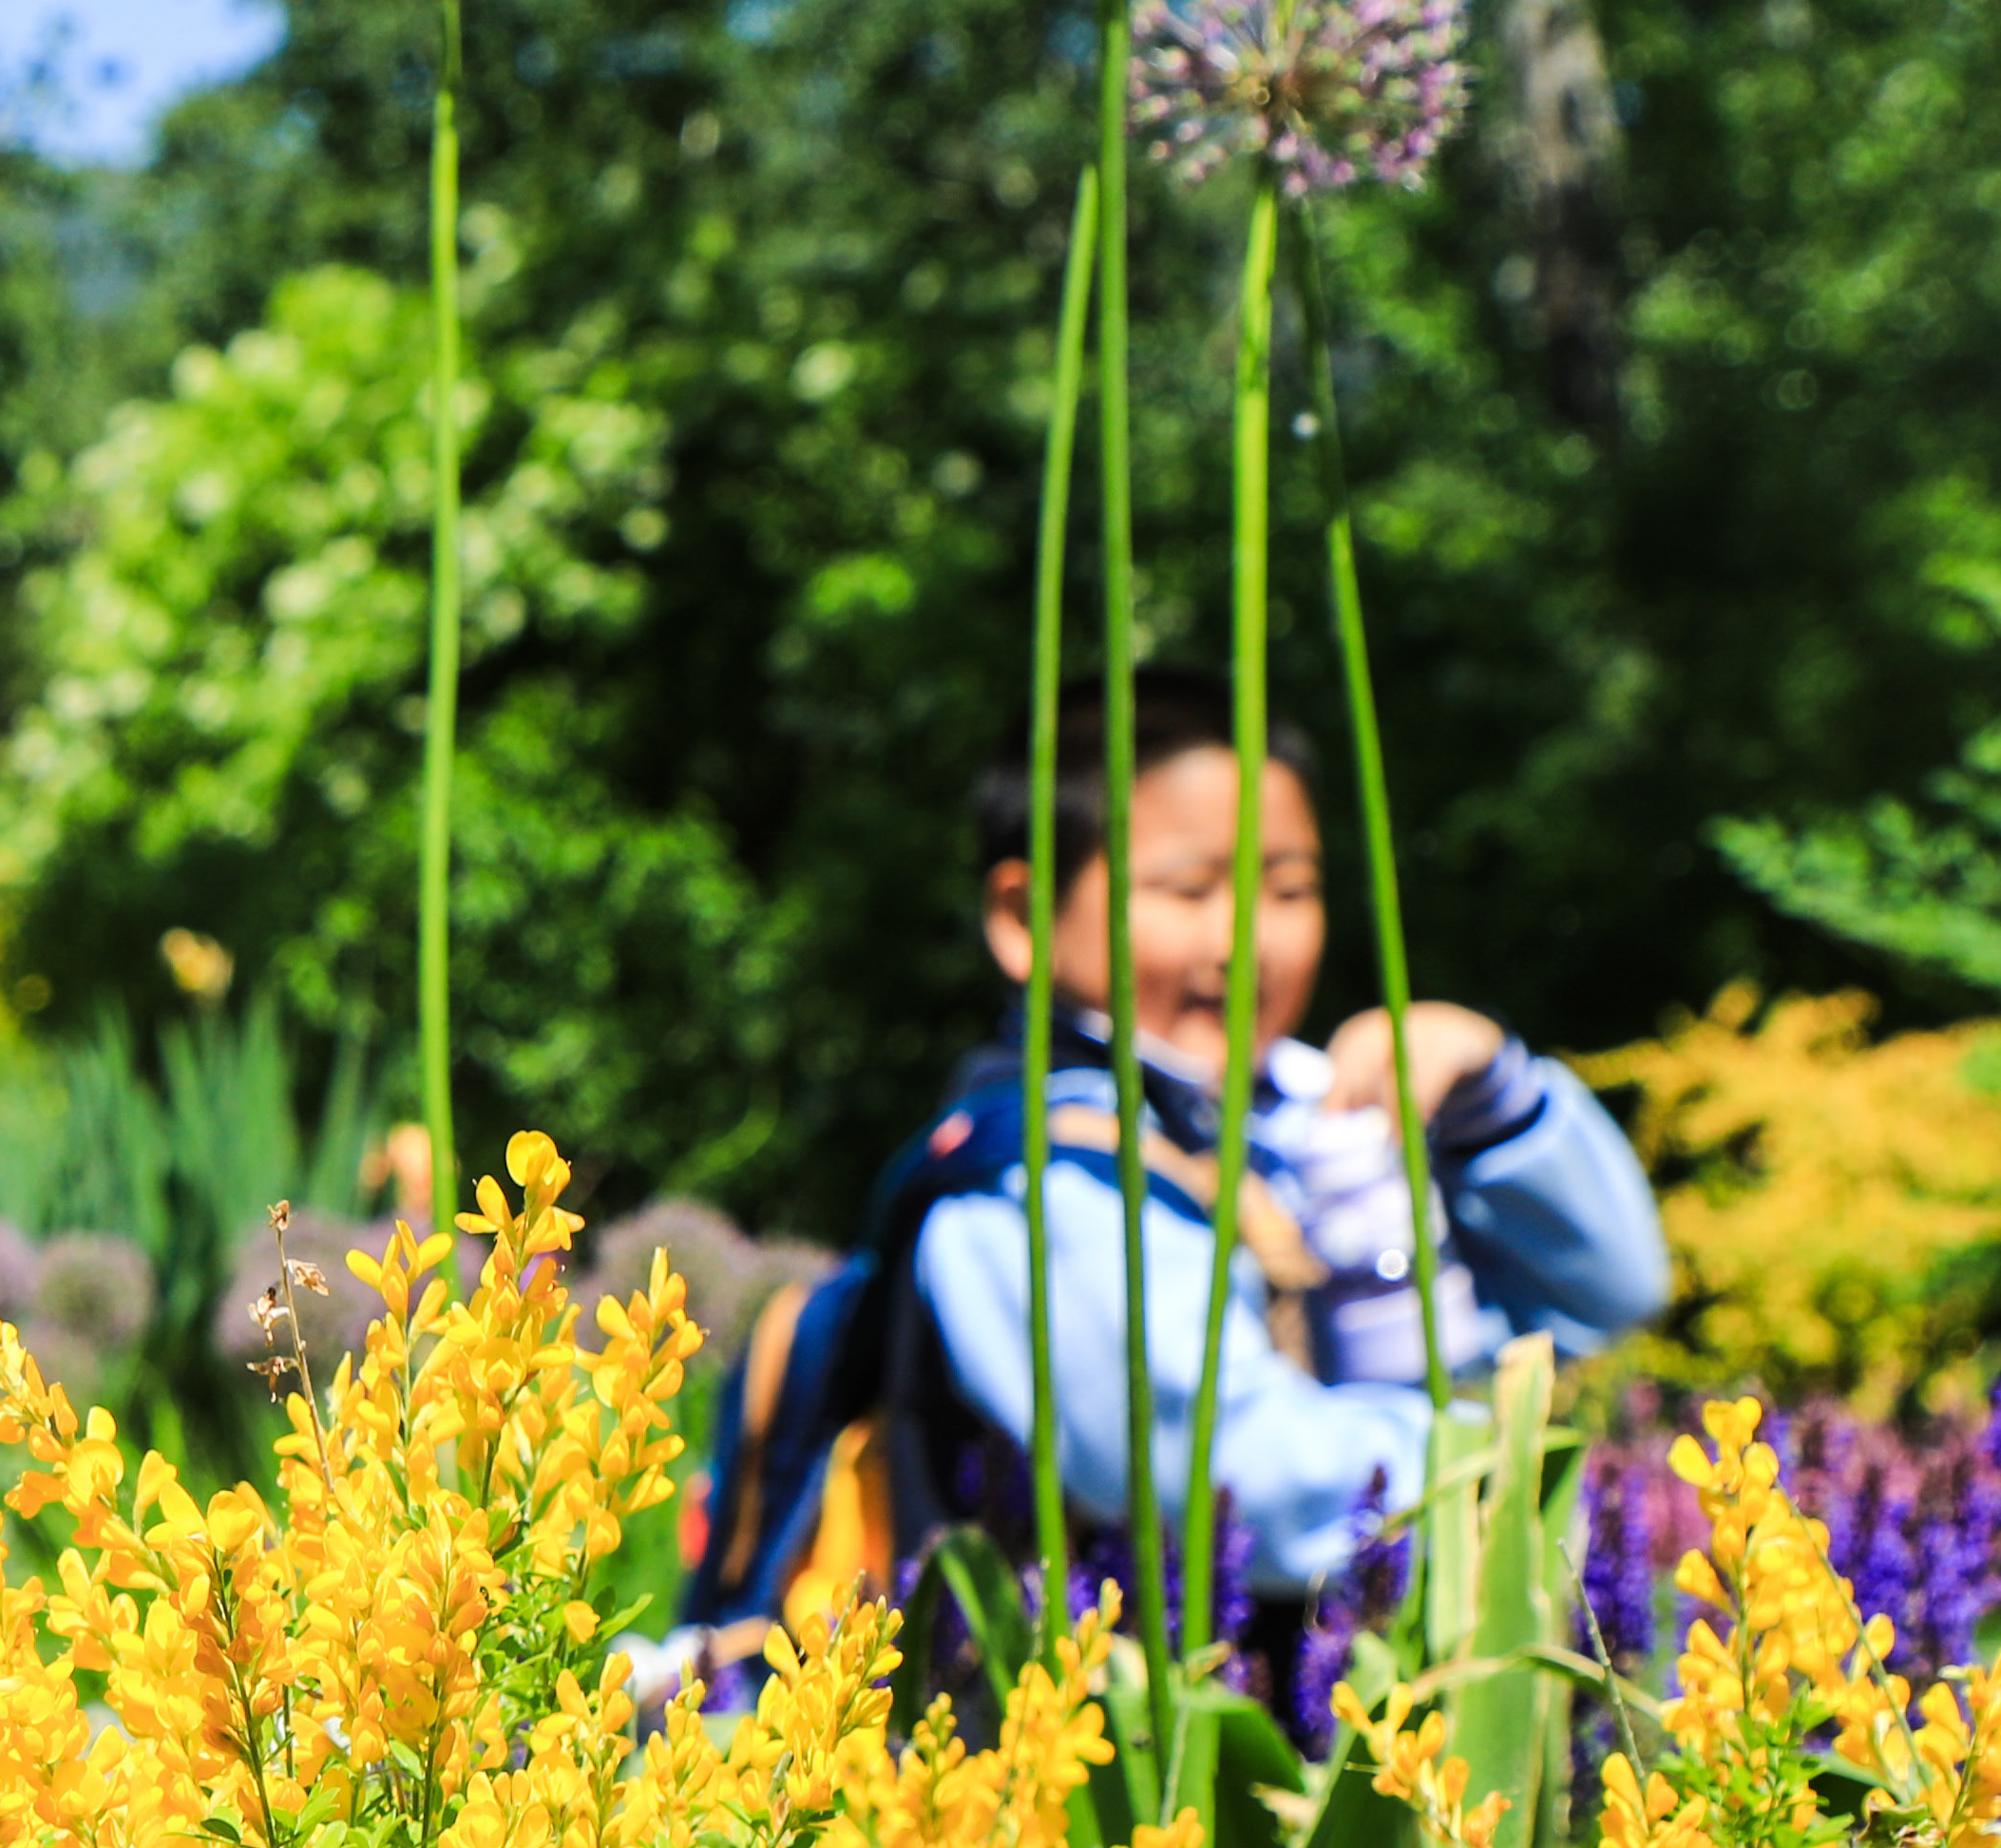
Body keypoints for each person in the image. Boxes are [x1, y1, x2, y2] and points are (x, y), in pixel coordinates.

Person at [683, 667, 1668, 1636]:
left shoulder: (1293, 1115)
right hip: (1086, 1773)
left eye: (1288, 889)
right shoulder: (1030, 1186)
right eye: (1188, 889)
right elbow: (1221, 1469)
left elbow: (1609, 1295)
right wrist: (1511, 1480)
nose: (1242, 939)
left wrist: (1496, 1100)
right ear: (1024, 919)